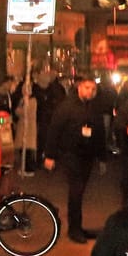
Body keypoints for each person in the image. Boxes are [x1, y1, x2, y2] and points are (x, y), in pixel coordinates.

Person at [44, 75, 104, 243]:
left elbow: (99, 132)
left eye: (93, 89)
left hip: (88, 156)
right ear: (79, 88)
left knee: (80, 191)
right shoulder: (67, 107)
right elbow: (54, 130)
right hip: (71, 155)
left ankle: (78, 226)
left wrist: (102, 157)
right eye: (87, 88)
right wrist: (50, 155)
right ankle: (74, 229)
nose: (90, 92)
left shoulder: (93, 107)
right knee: (76, 191)